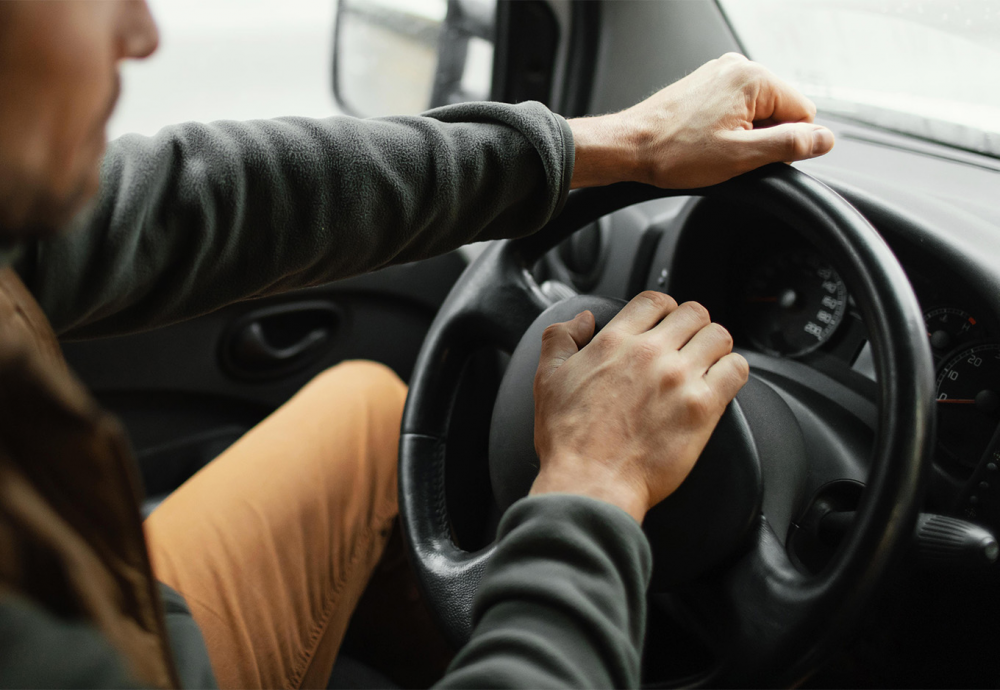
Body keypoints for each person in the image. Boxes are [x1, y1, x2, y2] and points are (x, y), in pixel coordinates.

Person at [0, 1, 835, 688]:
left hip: (124, 609)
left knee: (365, 407)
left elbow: (196, 199)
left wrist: (615, 146)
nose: (141, 32)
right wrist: (596, 480)